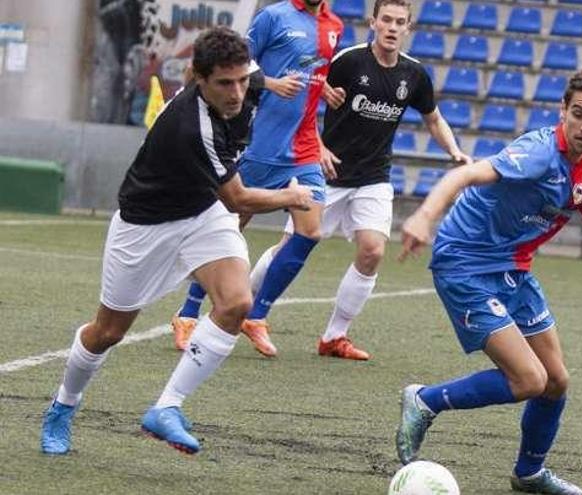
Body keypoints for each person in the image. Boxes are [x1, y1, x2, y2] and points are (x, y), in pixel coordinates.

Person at [395, 69, 582, 495]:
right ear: (563, 110)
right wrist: (424, 216)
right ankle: (425, 400)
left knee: (555, 380)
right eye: (579, 114)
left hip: (514, 271)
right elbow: (464, 175)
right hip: (464, 262)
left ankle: (529, 474)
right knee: (528, 380)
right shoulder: (537, 152)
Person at [39, 27, 314, 456]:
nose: (238, 92)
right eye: (225, 83)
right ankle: (63, 405)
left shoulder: (245, 81)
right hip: (145, 226)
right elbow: (239, 198)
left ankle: (166, 407)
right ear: (198, 79)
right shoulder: (191, 125)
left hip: (202, 213)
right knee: (107, 332)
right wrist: (292, 196)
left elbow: (254, 78)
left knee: (237, 302)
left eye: (243, 79)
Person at [247, 0, 472, 361]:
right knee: (288, 247)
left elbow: (433, 118)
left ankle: (334, 337)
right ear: (373, 22)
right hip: (329, 173)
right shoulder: (349, 61)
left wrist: (455, 152)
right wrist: (317, 146)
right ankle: (246, 303)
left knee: (373, 250)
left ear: (409, 27)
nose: (393, 27)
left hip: (374, 177)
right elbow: (308, 98)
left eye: (400, 22)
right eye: (387, 20)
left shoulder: (414, 74)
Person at [170, 0, 344, 358]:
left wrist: (320, 85)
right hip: (260, 144)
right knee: (230, 227)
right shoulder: (274, 16)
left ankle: (257, 315)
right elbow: (237, 67)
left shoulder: (334, 25)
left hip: (304, 145)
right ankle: (187, 314)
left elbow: (310, 66)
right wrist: (273, 83)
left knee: (310, 231)